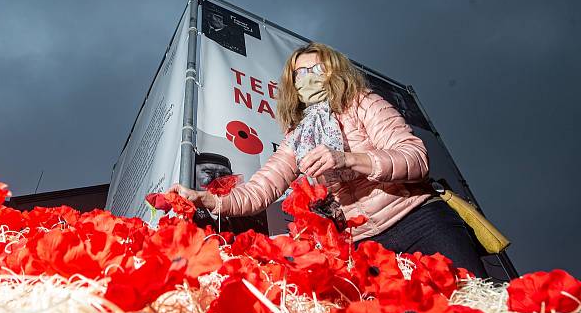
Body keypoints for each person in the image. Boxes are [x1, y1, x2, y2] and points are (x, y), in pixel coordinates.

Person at [169, 42, 489, 278]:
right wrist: (209, 199)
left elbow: (415, 158)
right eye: (299, 74)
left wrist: (347, 159)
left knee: (473, 308)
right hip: (366, 246)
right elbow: (260, 189)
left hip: (419, 221)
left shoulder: (363, 103)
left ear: (334, 70)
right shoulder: (298, 136)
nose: (307, 77)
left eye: (315, 69)